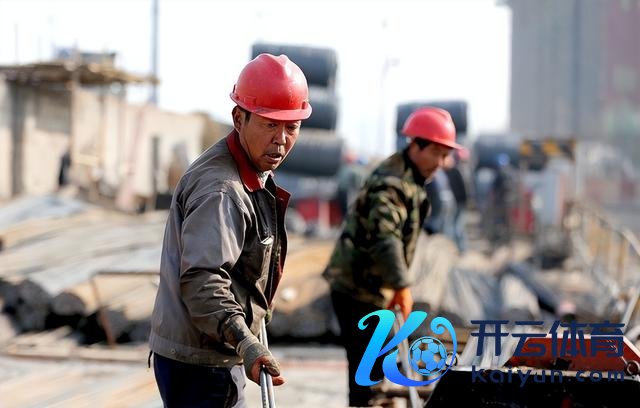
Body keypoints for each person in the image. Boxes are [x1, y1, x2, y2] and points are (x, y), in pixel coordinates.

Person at [149, 53, 312, 407]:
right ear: (239, 118)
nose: (281, 140)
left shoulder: (251, 169)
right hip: (201, 362)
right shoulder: (222, 190)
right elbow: (202, 280)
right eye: (270, 125)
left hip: (212, 350)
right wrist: (245, 341)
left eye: (292, 127)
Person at [323, 107, 460, 407]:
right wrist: (401, 285)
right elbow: (386, 239)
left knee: (376, 370)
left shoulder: (410, 178)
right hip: (357, 291)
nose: (441, 163)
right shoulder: (392, 184)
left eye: (445, 155)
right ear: (416, 146)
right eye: (436, 154)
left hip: (373, 289)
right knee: (369, 375)